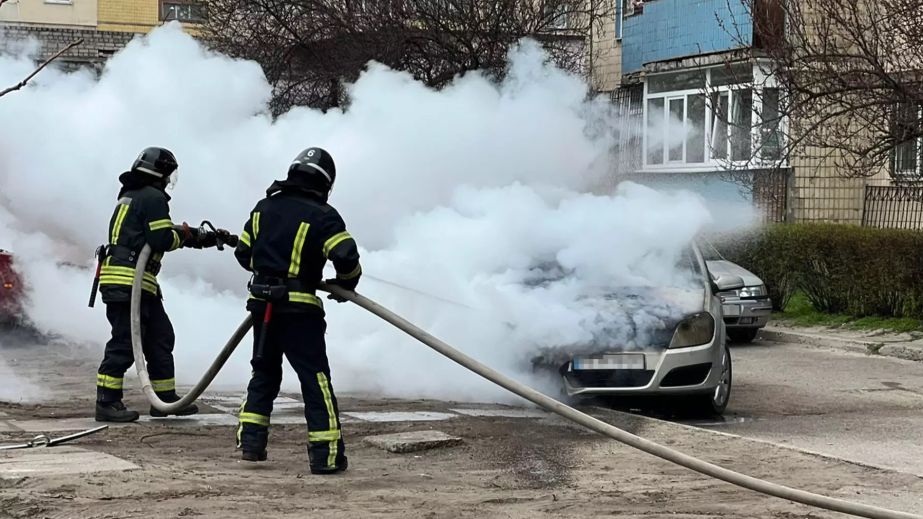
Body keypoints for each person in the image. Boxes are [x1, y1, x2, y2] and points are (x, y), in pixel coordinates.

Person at [233, 147, 360, 474]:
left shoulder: (263, 207)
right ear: (326, 183)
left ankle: (251, 443)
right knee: (315, 379)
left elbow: (243, 253)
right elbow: (346, 256)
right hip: (299, 310)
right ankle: (326, 456)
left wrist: (269, 265)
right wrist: (346, 284)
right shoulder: (324, 214)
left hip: (262, 306)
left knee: (264, 372)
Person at [94, 147, 230, 422]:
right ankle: (106, 402)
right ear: (159, 172)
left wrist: (197, 237)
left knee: (160, 337)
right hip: (128, 282)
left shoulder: (132, 195)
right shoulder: (153, 197)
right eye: (168, 174)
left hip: (136, 282)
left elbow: (156, 233)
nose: (169, 180)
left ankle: (164, 399)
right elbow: (162, 239)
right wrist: (182, 236)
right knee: (125, 342)